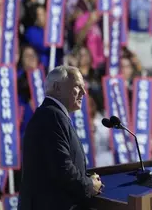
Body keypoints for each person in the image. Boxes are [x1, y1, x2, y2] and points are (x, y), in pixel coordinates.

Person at [19, 66, 103, 210]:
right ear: (57, 87)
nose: (83, 92)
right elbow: (62, 168)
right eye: (77, 86)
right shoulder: (51, 116)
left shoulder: (54, 115)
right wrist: (89, 185)